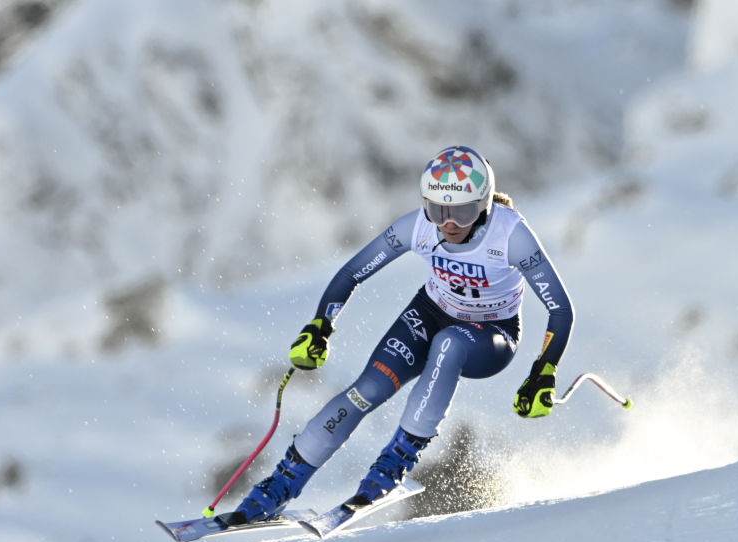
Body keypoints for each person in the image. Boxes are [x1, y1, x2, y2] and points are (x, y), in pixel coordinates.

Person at [232, 145, 574, 522]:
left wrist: (543, 371)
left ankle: (391, 467)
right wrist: (320, 325)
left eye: (462, 212)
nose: (449, 224)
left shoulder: (511, 235)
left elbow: (560, 308)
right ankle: (281, 485)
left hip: (490, 334)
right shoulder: (417, 226)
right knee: (368, 390)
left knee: (449, 344)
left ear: (484, 205)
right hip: (429, 312)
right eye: (438, 210)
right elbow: (352, 273)